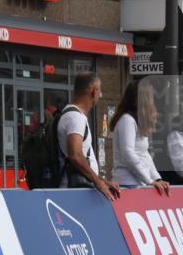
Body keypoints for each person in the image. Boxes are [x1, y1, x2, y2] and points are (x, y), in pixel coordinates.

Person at [56, 72, 121, 201]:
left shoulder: (70, 114)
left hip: (77, 188)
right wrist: (97, 181)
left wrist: (101, 181)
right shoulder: (76, 118)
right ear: (94, 91)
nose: (100, 95)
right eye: (100, 91)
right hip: (75, 192)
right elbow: (75, 155)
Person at [110, 81, 169, 195]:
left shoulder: (137, 120)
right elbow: (127, 153)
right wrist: (149, 180)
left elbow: (144, 153)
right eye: (150, 97)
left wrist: (156, 178)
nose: (153, 102)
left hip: (139, 183)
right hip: (128, 183)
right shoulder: (127, 120)